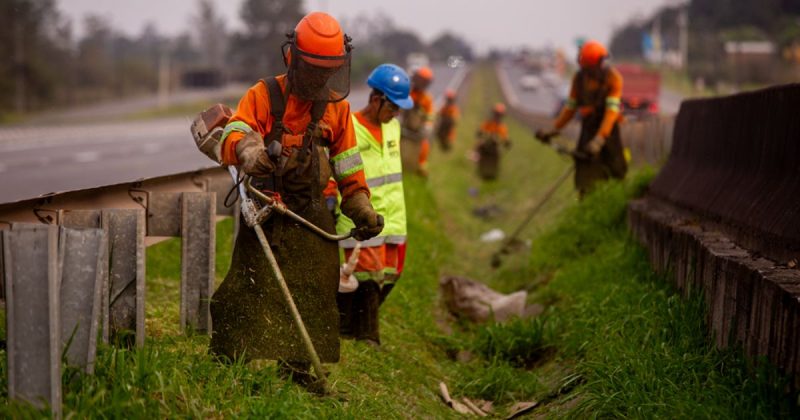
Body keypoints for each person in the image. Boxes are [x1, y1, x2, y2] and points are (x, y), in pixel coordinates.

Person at [209, 12, 383, 381]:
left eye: (328, 69)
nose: (320, 78)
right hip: (266, 207)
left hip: (311, 212)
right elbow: (234, 133)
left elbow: (349, 169)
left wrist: (362, 208)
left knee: (314, 290)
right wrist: (251, 152)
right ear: (293, 58)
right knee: (247, 286)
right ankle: (229, 365)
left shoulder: (337, 108)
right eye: (314, 68)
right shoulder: (263, 95)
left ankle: (296, 370)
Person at [326, 63, 412, 346]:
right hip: (361, 217)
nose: (396, 113)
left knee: (389, 276)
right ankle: (366, 337)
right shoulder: (349, 126)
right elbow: (332, 165)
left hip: (395, 218)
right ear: (377, 100)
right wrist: (330, 197)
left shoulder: (393, 128)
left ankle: (348, 327)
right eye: (393, 107)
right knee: (367, 276)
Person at [537, 40, 627, 196]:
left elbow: (611, 112)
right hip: (588, 129)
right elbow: (570, 109)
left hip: (609, 131)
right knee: (586, 173)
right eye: (601, 62)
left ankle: (617, 201)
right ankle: (587, 202)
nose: (604, 65)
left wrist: (600, 139)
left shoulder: (613, 78)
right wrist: (553, 130)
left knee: (617, 170)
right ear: (590, 65)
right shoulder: (578, 79)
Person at [400, 66, 435, 177]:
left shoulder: (426, 99)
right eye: (421, 80)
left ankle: (420, 169)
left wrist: (428, 127)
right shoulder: (406, 93)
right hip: (402, 131)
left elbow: (430, 116)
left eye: (425, 82)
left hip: (417, 133)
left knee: (423, 148)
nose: (423, 84)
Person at [475, 103, 510, 180]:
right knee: (478, 147)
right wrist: (481, 133)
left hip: (495, 146)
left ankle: (493, 171)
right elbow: (481, 130)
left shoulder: (502, 127)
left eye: (499, 115)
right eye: (496, 114)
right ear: (494, 113)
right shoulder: (488, 123)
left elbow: (505, 138)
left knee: (498, 154)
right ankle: (477, 159)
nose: (497, 116)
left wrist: (506, 142)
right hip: (486, 144)